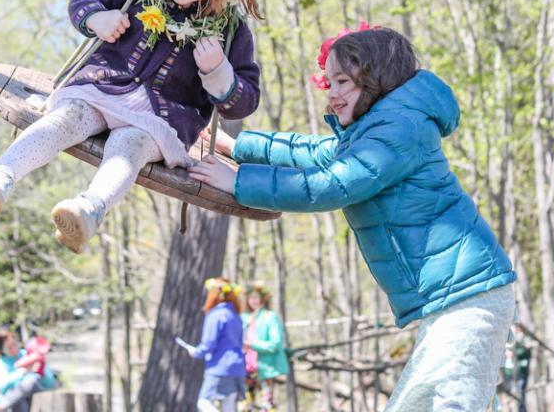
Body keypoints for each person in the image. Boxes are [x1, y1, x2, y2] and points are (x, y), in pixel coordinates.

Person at [190, 25, 517, 410]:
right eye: (327, 83)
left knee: (443, 403)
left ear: (375, 76)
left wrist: (239, 182)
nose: (332, 94)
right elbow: (313, 152)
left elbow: (331, 184)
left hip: (471, 297)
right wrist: (238, 145)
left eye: (342, 80)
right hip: (457, 298)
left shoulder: (399, 129)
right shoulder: (375, 128)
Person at [0, 0, 263, 253]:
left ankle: (88, 210)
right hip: (101, 88)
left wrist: (218, 71)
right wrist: (96, 18)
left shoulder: (230, 32)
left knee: (127, 146)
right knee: (66, 118)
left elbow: (242, 103)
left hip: (160, 121)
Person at [187, 277, 246, 412]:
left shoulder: (216, 315)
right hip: (237, 367)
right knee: (229, 406)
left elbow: (208, 343)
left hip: (220, 367)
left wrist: (196, 352)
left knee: (203, 402)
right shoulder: (235, 315)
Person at [240, 283, 288, 410]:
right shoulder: (244, 317)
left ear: (263, 298)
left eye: (256, 297)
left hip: (265, 368)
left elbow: (275, 344)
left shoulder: (270, 317)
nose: (253, 301)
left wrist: (252, 344)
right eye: (251, 298)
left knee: (267, 404)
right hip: (247, 367)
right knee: (246, 404)